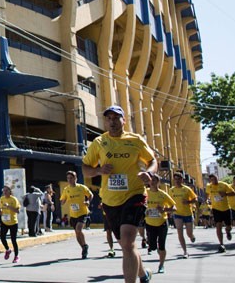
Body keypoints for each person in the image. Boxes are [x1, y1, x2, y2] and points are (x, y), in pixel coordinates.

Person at [82, 105, 156, 283]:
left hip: (134, 194)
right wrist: (99, 171)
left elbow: (152, 160)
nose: (112, 121)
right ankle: (143, 275)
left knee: (128, 241)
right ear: (105, 121)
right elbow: (85, 169)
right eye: (109, 118)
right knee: (126, 245)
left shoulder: (135, 140)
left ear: (124, 120)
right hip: (110, 199)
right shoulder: (99, 142)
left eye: (116, 118)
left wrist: (149, 173)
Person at [145, 172, 176, 274]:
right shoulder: (145, 193)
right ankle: (156, 248)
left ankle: (161, 265)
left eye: (154, 180)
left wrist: (164, 210)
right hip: (149, 223)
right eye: (151, 180)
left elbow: (174, 208)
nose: (152, 182)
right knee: (152, 246)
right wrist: (144, 210)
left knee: (162, 245)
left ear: (158, 182)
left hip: (162, 222)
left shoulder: (163, 194)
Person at [60, 170, 93, 259]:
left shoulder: (82, 187)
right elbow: (62, 200)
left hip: (83, 212)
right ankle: (84, 247)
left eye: (71, 178)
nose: (69, 180)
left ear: (75, 178)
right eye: (68, 178)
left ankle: (84, 245)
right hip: (73, 214)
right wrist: (61, 202)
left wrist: (88, 201)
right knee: (77, 233)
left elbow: (91, 195)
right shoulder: (66, 190)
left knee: (79, 229)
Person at [168, 172, 197, 258]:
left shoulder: (187, 189)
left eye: (178, 179)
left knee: (189, 233)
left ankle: (191, 236)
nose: (177, 181)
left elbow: (195, 199)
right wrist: (169, 210)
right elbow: (169, 201)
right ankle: (185, 251)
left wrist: (188, 202)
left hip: (187, 213)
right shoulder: (171, 190)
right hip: (177, 214)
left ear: (182, 180)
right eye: (175, 179)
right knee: (180, 232)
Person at [206, 173, 234, 252]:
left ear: (217, 178)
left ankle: (228, 231)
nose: (214, 181)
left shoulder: (224, 185)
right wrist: (207, 200)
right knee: (218, 226)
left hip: (226, 208)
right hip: (216, 209)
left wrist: (225, 194)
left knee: (229, 226)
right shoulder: (209, 186)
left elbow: (233, 193)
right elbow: (207, 194)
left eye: (215, 179)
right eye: (212, 179)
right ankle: (221, 244)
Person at [0, 185, 21, 263]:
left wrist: (9, 207)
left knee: (13, 240)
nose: (4, 192)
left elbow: (17, 211)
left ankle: (16, 256)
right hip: (4, 221)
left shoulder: (14, 199)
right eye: (3, 191)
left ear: (10, 191)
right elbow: (0, 208)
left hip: (13, 222)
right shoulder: (1, 199)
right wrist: (0, 212)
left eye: (6, 191)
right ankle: (8, 250)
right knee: (2, 237)